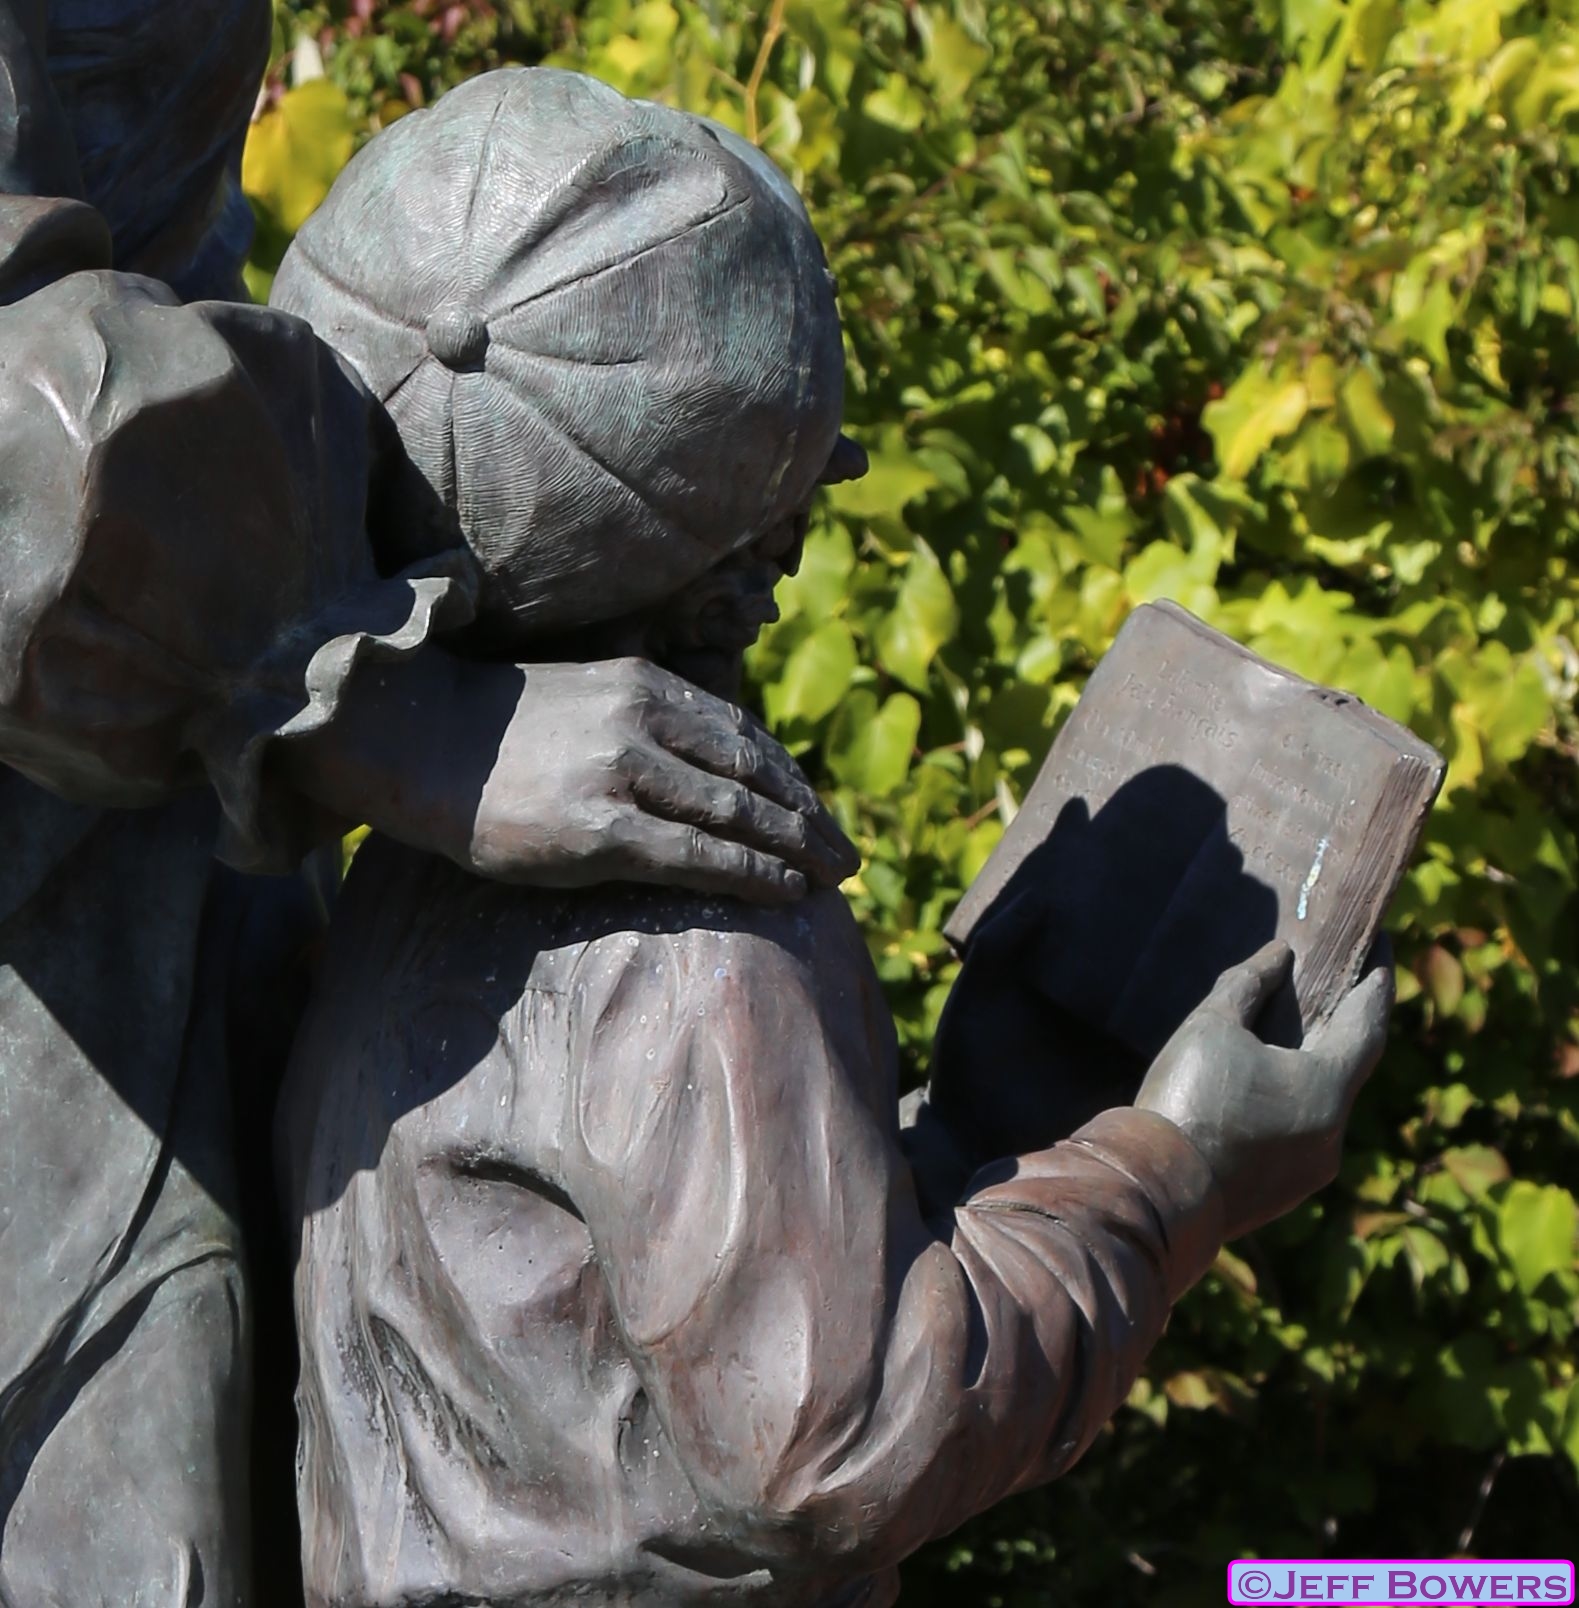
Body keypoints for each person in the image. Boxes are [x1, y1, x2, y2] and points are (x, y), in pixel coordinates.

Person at [277, 68, 1393, 1608]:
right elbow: (842, 1448)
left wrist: (980, 1139)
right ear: (762, 549)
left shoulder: (409, 839)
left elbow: (613, 1312)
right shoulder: (701, 937)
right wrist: (1176, 1171)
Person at [0, 9, 854, 1604]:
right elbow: (829, 1444)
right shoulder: (697, 971)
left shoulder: (460, 921)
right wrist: (1150, 1175)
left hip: (168, 771)